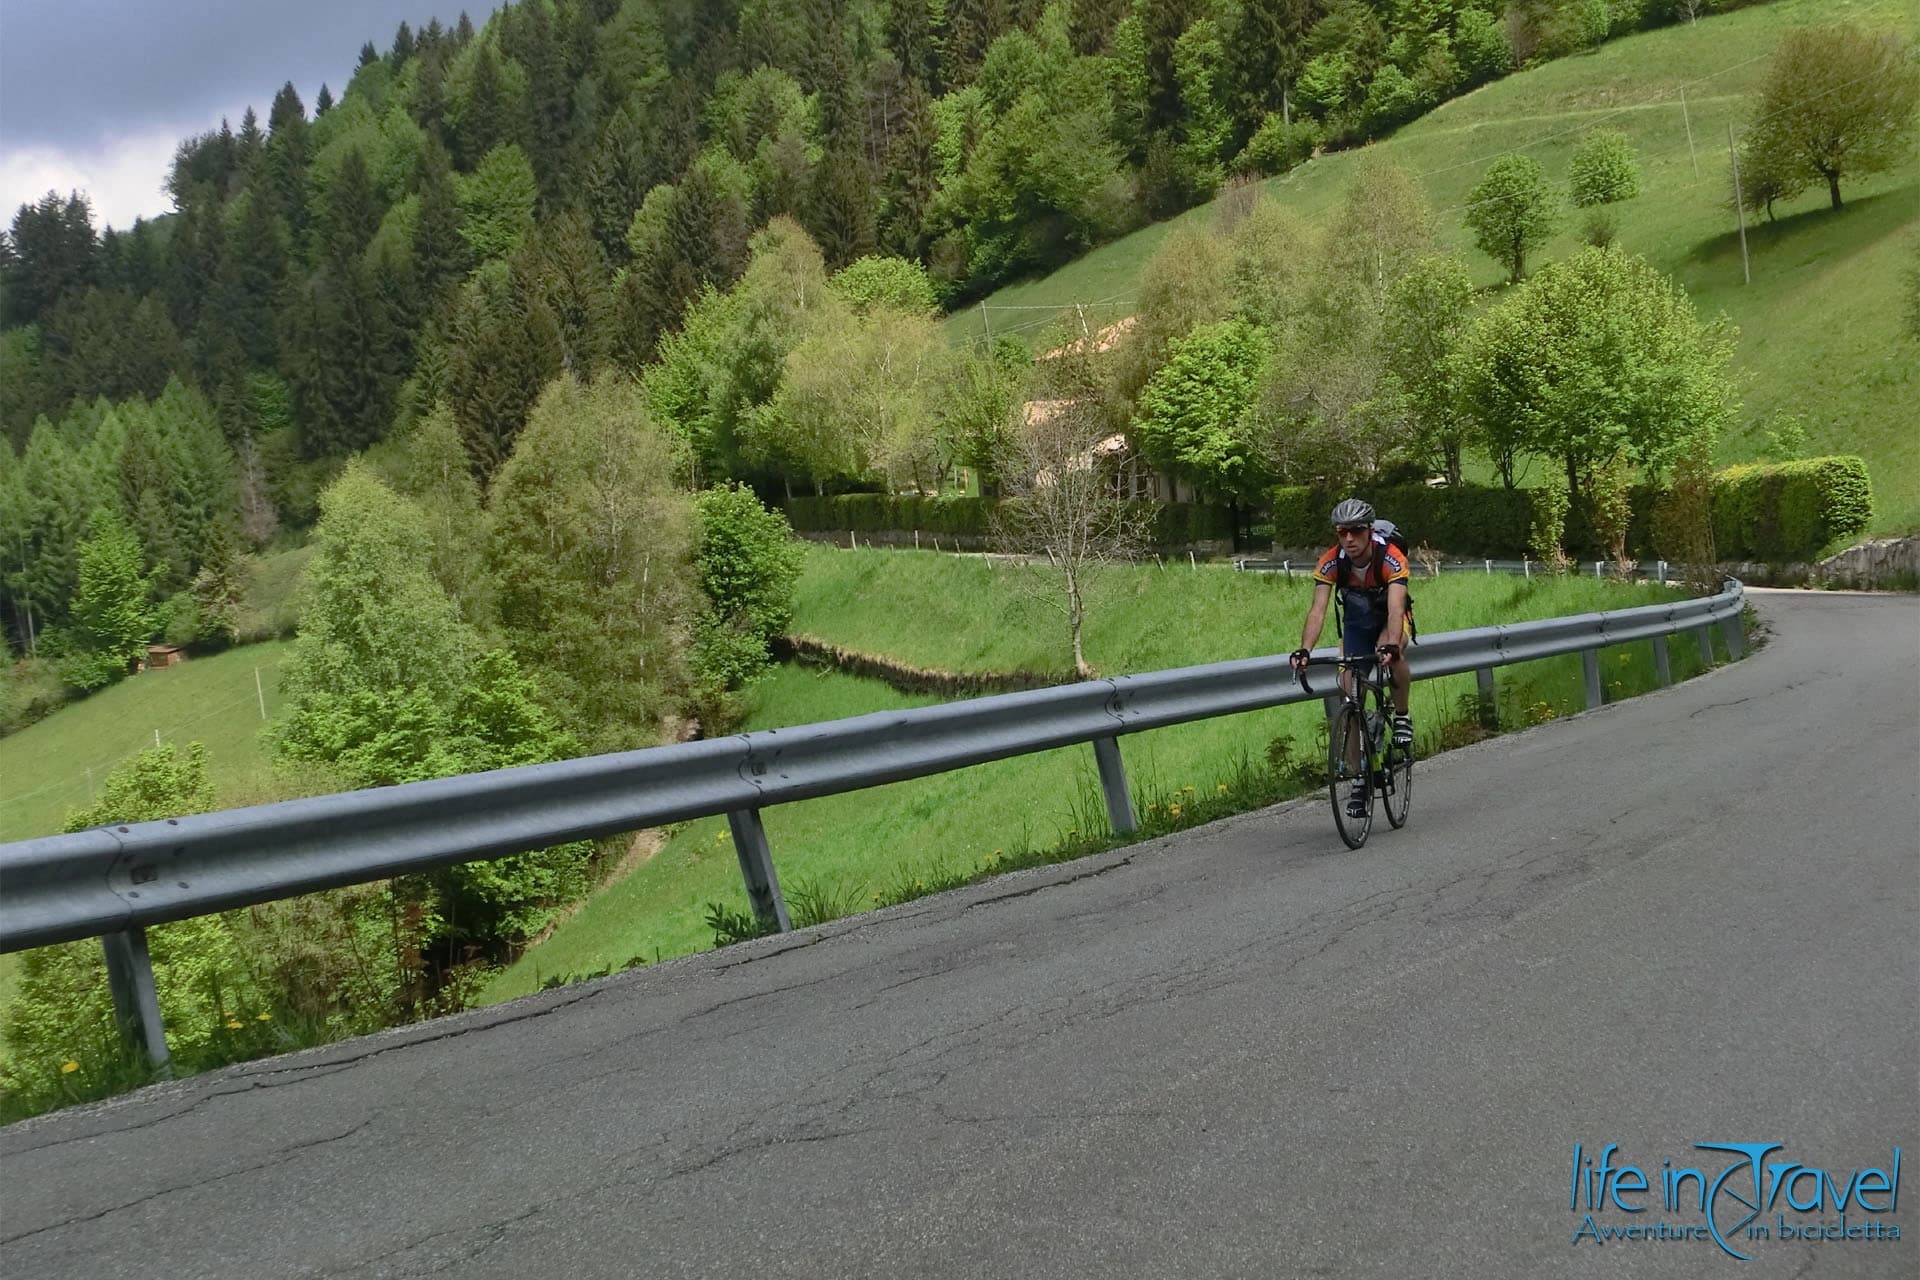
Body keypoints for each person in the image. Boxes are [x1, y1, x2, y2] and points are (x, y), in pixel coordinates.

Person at [1289, 499, 1413, 818]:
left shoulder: (1391, 558)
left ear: (1370, 531)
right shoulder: (1332, 562)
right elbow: (1317, 611)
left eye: (1356, 531)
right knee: (1348, 689)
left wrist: (1392, 645)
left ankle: (1401, 715)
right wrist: (1305, 650)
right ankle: (1359, 776)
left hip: (1389, 619)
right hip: (1358, 624)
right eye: (1342, 532)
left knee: (1392, 651)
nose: (1349, 539)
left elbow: (1397, 609)